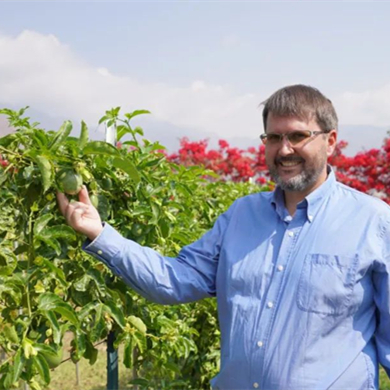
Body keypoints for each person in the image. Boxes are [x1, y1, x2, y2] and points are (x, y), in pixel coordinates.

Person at [57, 85, 390, 390]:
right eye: (273, 138)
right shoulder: (241, 216)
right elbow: (174, 280)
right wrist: (99, 234)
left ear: (330, 141)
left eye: (298, 136)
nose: (284, 149)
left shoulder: (372, 222)